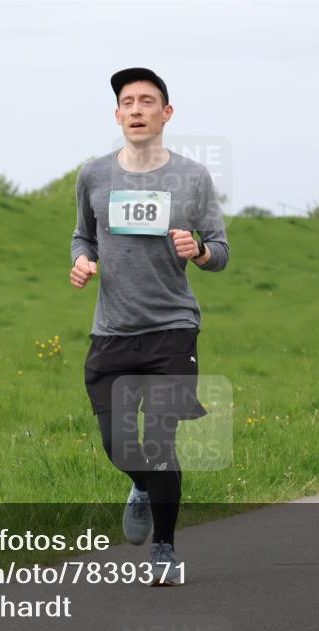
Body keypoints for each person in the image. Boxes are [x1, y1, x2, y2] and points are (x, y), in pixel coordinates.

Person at [69, 67, 230, 586]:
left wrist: (200, 251)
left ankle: (164, 550)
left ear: (167, 113)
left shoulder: (193, 179)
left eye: (148, 101)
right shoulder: (93, 175)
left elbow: (221, 252)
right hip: (112, 330)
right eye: (128, 102)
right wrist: (81, 262)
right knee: (119, 446)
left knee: (161, 446)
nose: (137, 109)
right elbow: (82, 237)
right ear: (117, 115)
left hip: (172, 328)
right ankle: (141, 485)